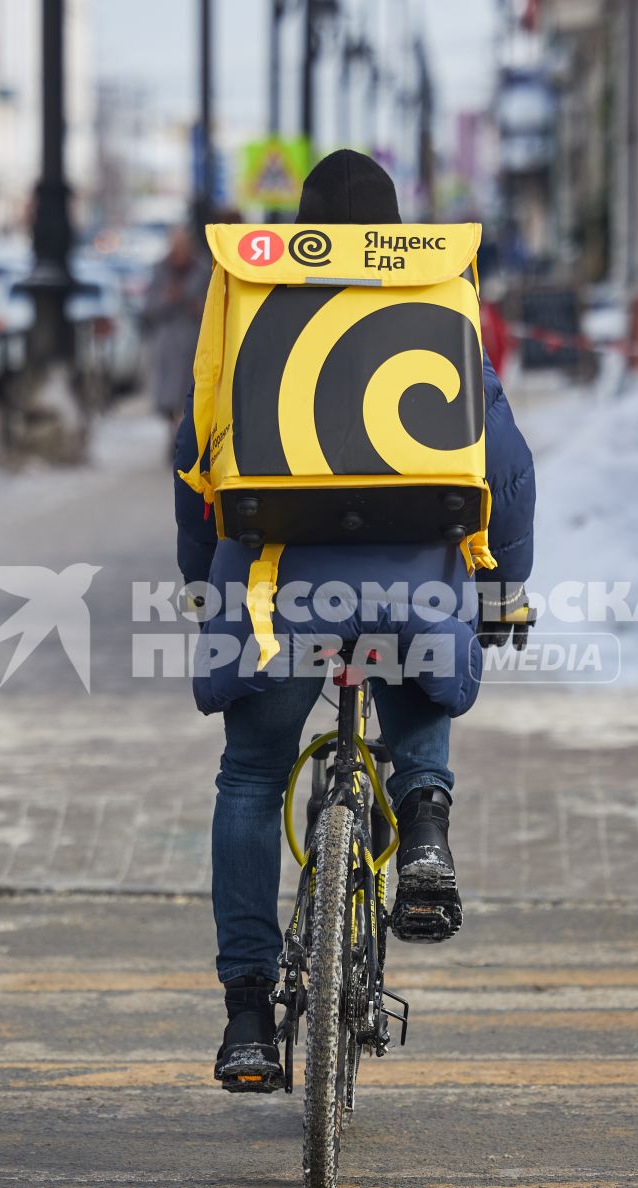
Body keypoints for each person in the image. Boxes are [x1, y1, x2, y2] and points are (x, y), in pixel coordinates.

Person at [171, 150, 536, 1092]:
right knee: (424, 625)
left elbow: (195, 456)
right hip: (410, 578)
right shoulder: (431, 291)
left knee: (251, 777)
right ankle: (422, 824)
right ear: (392, 225)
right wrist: (503, 591)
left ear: (301, 224)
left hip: (275, 586)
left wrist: (200, 581)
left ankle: (249, 1015)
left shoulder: (253, 302)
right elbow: (507, 466)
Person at [145, 223, 212, 428]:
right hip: (168, 343)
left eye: (184, 245)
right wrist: (167, 299)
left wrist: (201, 309)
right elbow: (149, 308)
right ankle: (173, 434)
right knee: (168, 397)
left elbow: (214, 303)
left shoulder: (203, 269)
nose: (180, 250)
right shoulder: (161, 270)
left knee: (190, 396)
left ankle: (182, 436)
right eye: (176, 245)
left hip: (195, 342)